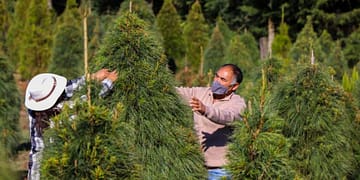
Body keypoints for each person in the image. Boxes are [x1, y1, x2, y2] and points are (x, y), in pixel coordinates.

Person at [24, 69, 117, 180]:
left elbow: (70, 87)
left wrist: (92, 77)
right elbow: (86, 102)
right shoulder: (59, 113)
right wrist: (108, 83)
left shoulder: (36, 103)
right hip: (65, 163)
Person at [176, 64, 246, 180]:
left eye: (223, 80)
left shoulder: (237, 103)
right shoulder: (201, 93)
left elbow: (228, 116)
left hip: (221, 170)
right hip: (197, 166)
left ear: (234, 86)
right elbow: (179, 92)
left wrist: (205, 110)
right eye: (216, 76)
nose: (217, 81)